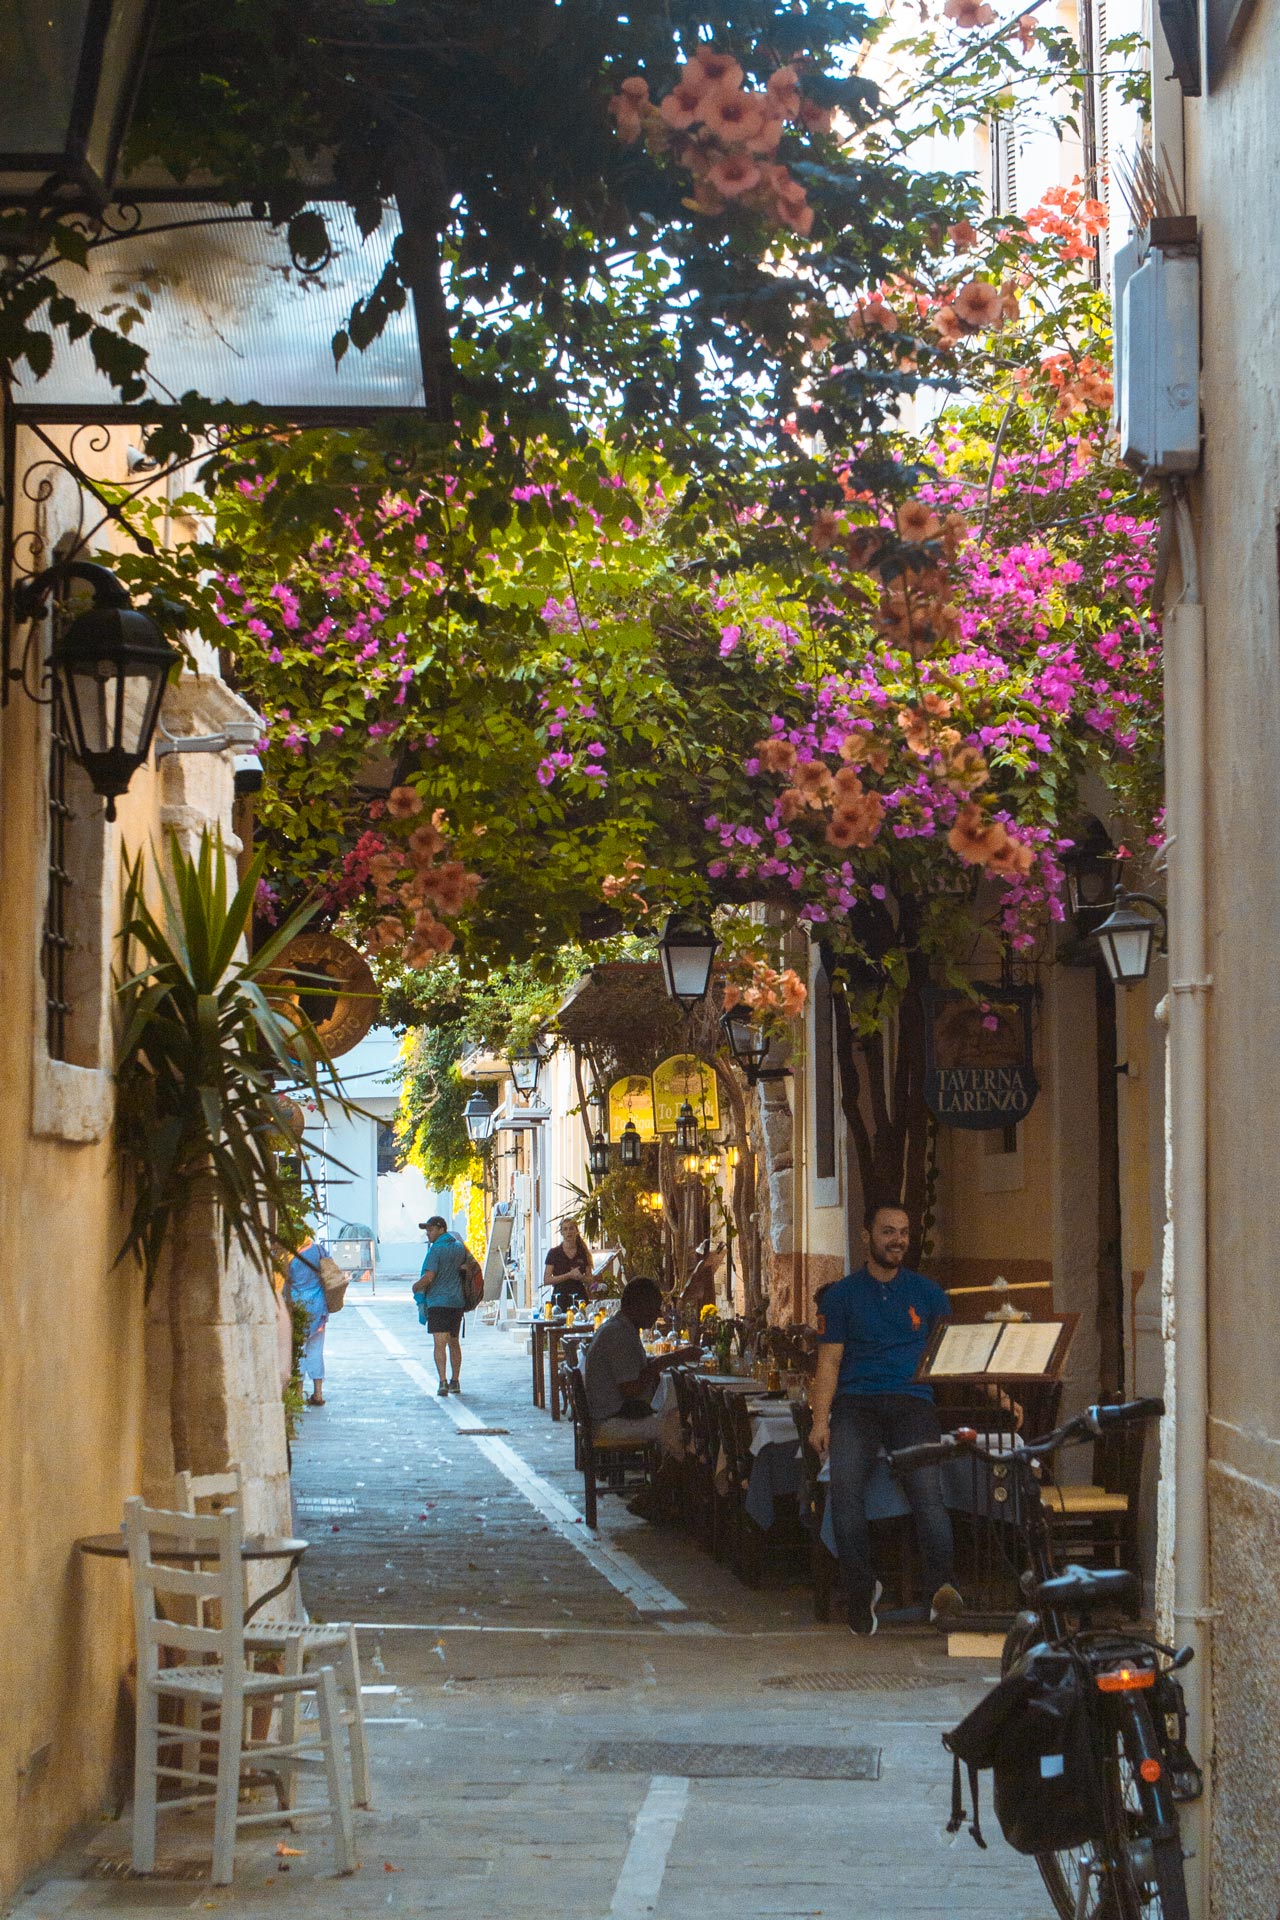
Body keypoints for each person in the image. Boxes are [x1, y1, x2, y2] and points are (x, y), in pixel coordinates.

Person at [808, 1200, 964, 1636]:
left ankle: (941, 1592)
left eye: (903, 1232)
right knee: (845, 1490)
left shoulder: (928, 1294)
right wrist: (821, 1421)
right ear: (866, 1236)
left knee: (927, 1493)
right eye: (887, 1231)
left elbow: (951, 1355)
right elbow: (830, 1364)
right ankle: (860, 1591)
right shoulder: (841, 1296)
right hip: (856, 1403)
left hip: (913, 1400)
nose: (898, 1240)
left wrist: (1000, 1394)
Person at [582, 1277, 697, 1451]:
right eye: (654, 1307)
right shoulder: (618, 1335)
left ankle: (672, 1471)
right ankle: (681, 1475)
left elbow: (633, 1368)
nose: (658, 1314)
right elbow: (631, 1389)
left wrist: (670, 1358)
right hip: (610, 1421)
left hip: (612, 1413)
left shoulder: (620, 1328)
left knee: (677, 1414)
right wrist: (665, 1361)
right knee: (681, 1427)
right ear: (637, 1306)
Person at [413, 1214, 474, 1395]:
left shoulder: (436, 1250)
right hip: (456, 1302)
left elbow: (429, 1276)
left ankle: (442, 1382)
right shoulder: (459, 1247)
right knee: (454, 1343)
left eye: (431, 1229)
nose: (428, 1233)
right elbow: (468, 1267)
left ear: (441, 1229)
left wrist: (416, 1286)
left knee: (440, 1343)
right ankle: (456, 1381)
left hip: (438, 1302)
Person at [285, 1234, 331, 1407]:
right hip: (319, 1307)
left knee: (299, 1350)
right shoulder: (319, 1250)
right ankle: (318, 1392)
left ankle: (297, 1393)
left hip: (298, 1306)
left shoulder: (288, 1255)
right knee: (316, 1350)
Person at [542, 1217, 593, 1312]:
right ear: (561, 1232)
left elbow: (590, 1279)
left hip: (579, 1296)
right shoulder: (554, 1253)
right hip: (560, 1297)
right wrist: (568, 1275)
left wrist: (581, 1277)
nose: (569, 1232)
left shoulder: (583, 1252)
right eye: (565, 1229)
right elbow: (547, 1280)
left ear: (576, 1231)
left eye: (571, 1228)